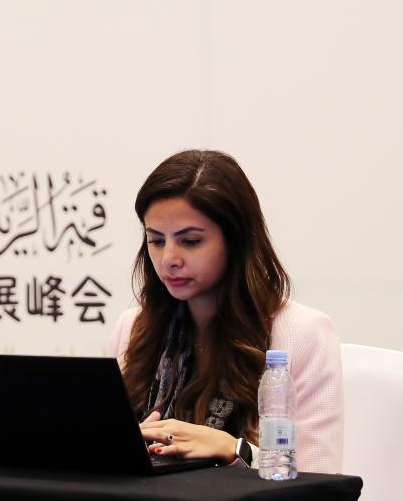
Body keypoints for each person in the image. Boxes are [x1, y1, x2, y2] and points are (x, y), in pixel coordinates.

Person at [108, 149, 342, 473]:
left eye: (191, 241)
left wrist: (234, 450)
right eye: (156, 241)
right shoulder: (132, 327)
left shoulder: (302, 333)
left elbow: (319, 481)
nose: (168, 259)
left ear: (236, 241)